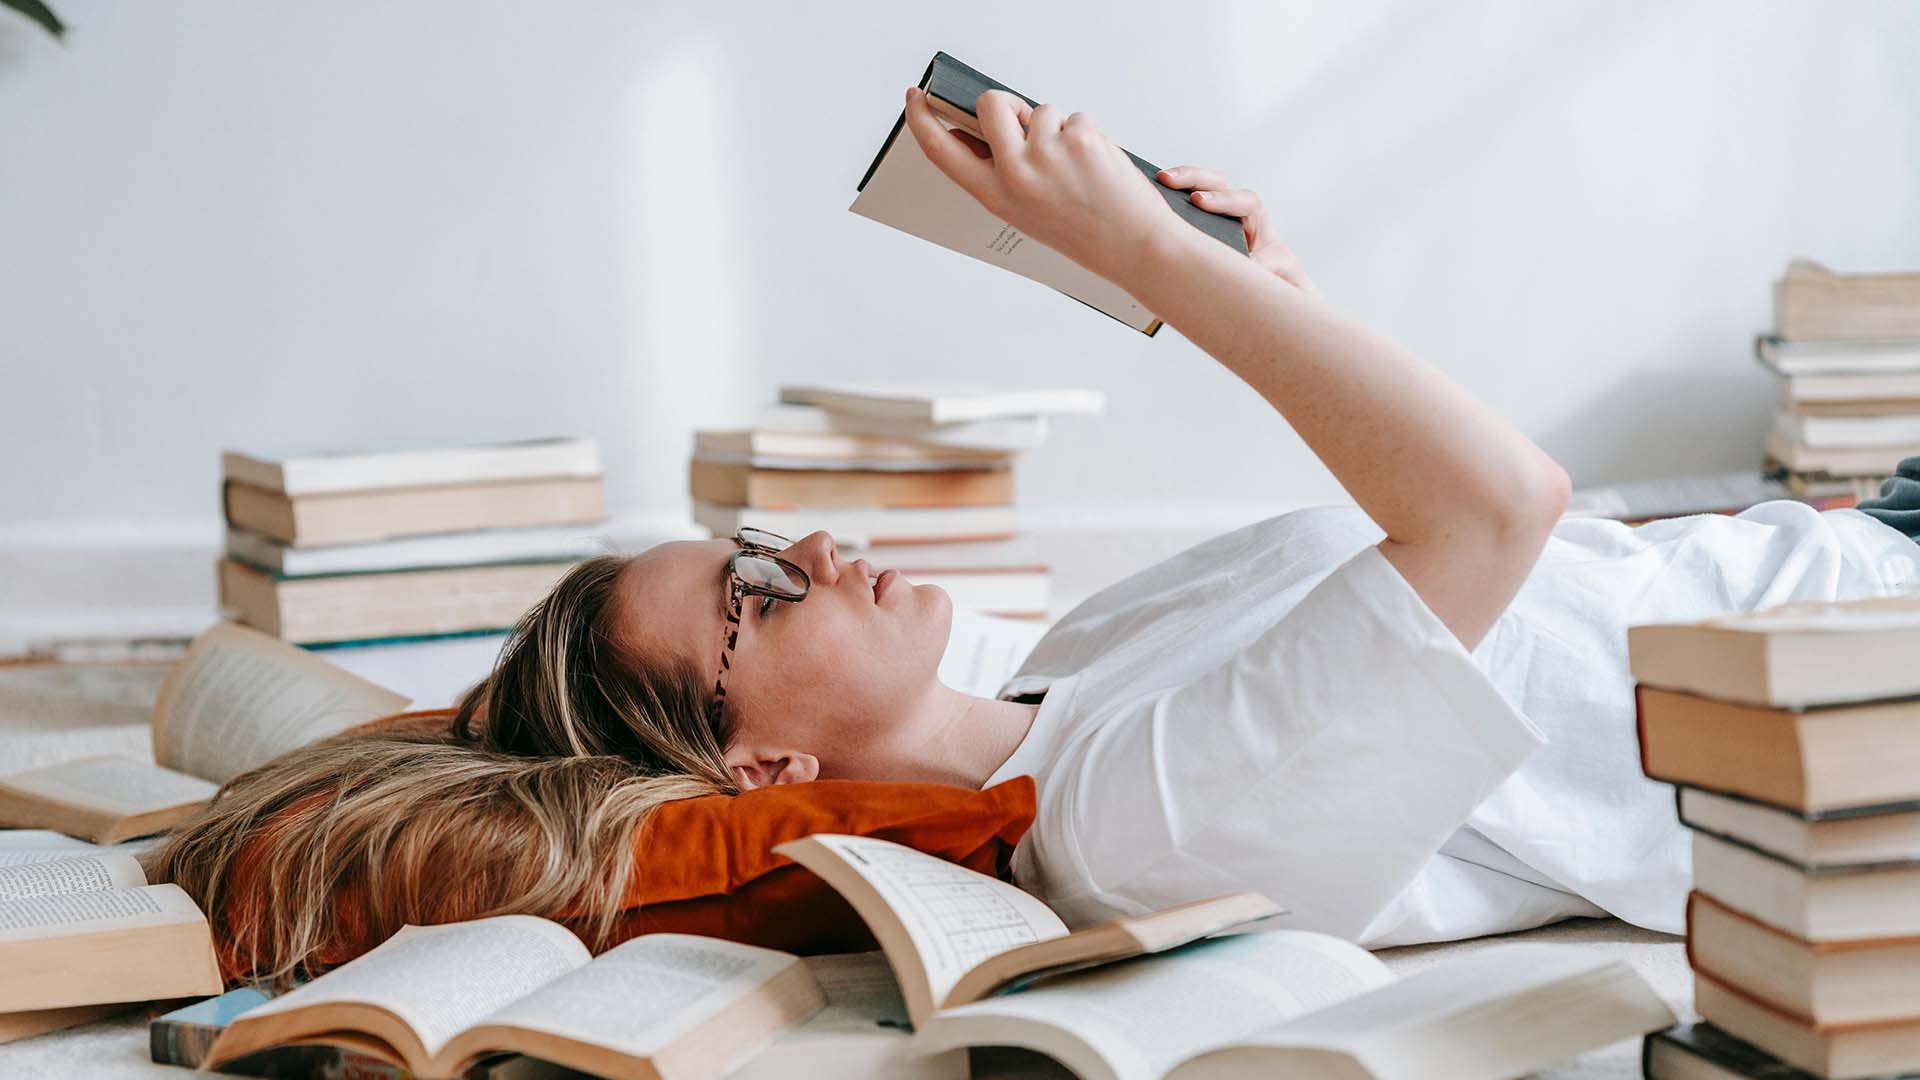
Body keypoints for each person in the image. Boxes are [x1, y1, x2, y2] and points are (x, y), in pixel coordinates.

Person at [150, 88, 1920, 983]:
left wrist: (1256, 290)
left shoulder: (1062, 684)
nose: (816, 553)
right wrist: (1154, 266)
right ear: (759, 755)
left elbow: (1461, 549)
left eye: (766, 540)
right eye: (754, 597)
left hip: (1832, 534)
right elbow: (1494, 510)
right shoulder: (1137, 825)